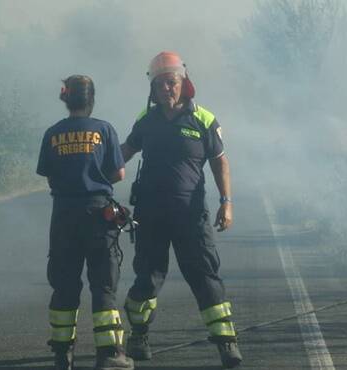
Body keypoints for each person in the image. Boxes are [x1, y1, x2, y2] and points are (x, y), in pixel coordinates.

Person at [119, 51, 243, 368]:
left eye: (171, 83)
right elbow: (124, 154)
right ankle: (139, 335)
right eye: (160, 84)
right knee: (147, 280)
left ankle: (226, 343)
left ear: (183, 83)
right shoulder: (145, 121)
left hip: (192, 217)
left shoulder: (203, 119)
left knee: (205, 277)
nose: (166, 89)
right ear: (153, 88)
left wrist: (226, 203)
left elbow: (220, 162)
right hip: (150, 217)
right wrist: (92, 165)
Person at [36, 75, 134, 370]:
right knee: (103, 285)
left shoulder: (52, 133)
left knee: (65, 284)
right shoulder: (104, 130)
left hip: (63, 216)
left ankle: (62, 355)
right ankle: (110, 356)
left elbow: (49, 175)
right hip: (98, 216)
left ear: (66, 99)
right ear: (92, 100)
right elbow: (119, 174)